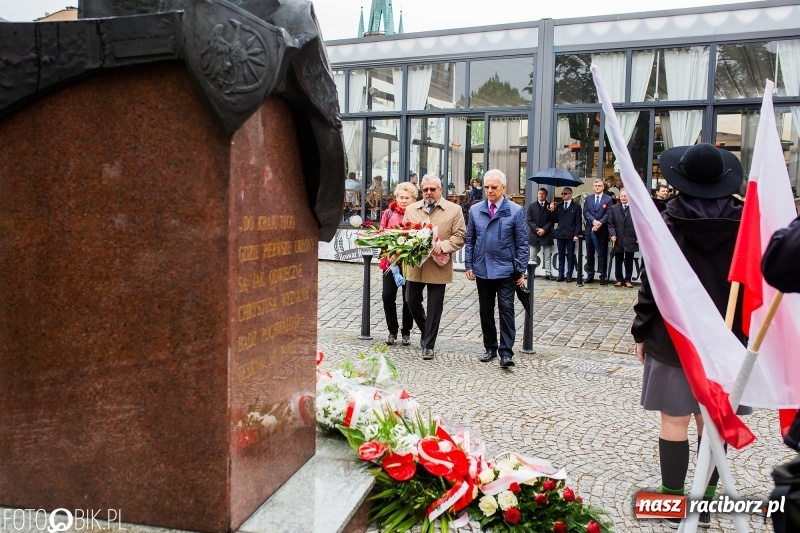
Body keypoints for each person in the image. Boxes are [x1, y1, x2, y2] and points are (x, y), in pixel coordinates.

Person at [631, 143, 748, 529]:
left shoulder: (664, 221)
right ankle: (706, 503)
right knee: (711, 421)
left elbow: (651, 283)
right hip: (728, 338)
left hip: (673, 336)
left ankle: (673, 502)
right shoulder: (747, 223)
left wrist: (641, 330)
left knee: (674, 421)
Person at [465, 169, 528, 369]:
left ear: (503, 188)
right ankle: (490, 347)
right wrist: (469, 264)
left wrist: (521, 270)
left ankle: (506, 352)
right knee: (485, 310)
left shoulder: (516, 211)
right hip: (482, 269)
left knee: (507, 309)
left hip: (505, 270)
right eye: (486, 187)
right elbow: (470, 240)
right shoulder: (475, 210)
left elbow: (522, 244)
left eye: (494, 187)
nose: (490, 191)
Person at [403, 175, 466, 360]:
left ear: (440, 189)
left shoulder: (454, 210)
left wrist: (443, 246)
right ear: (421, 191)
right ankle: (426, 329)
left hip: (439, 264)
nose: (429, 192)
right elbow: (405, 231)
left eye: (432, 189)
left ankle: (429, 344)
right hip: (416, 264)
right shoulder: (412, 209)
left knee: (434, 307)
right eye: (425, 189)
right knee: (410, 300)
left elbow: (460, 235)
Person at [380, 182, 418, 346]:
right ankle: (392, 330)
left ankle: (406, 331)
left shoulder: (417, 214)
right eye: (401, 197)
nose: (403, 200)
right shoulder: (388, 213)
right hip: (391, 262)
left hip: (409, 263)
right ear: (396, 198)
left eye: (407, 198)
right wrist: (387, 253)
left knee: (408, 298)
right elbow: (381, 236)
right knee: (387, 295)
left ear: (413, 199)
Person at [583, 178, 612, 285]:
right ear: (593, 187)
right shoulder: (589, 199)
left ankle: (602, 276)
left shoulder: (608, 199)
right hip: (590, 229)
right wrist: (594, 221)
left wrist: (599, 223)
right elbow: (585, 211)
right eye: (595, 186)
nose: (597, 187)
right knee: (590, 253)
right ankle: (590, 275)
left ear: (603, 187)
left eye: (599, 185)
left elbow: (609, 213)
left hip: (602, 231)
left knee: (602, 253)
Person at [551, 187, 582, 282]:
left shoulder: (576, 207)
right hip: (560, 234)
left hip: (570, 234)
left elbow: (578, 222)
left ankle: (569, 275)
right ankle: (560, 274)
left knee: (570, 255)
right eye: (562, 193)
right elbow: (554, 219)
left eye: (565, 193)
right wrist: (552, 210)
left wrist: (576, 234)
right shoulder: (559, 206)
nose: (563, 195)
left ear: (570, 195)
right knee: (561, 255)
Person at [608, 188, 637, 288]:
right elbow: (610, 223)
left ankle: (628, 280)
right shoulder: (613, 208)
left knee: (629, 259)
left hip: (630, 238)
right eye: (622, 196)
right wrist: (612, 234)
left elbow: (638, 224)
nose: (623, 198)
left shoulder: (634, 209)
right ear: (619, 197)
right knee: (618, 259)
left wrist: (637, 237)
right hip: (618, 238)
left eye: (625, 196)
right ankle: (619, 279)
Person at [526, 187, 555, 279]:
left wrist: (544, 230)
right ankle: (531, 274)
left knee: (547, 256)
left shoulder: (550, 207)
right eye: (539, 193)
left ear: (546, 196)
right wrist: (537, 230)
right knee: (532, 256)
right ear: (537, 195)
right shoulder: (532, 206)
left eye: (543, 194)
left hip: (546, 234)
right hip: (534, 234)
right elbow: (529, 220)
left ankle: (548, 273)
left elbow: (552, 221)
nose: (541, 195)